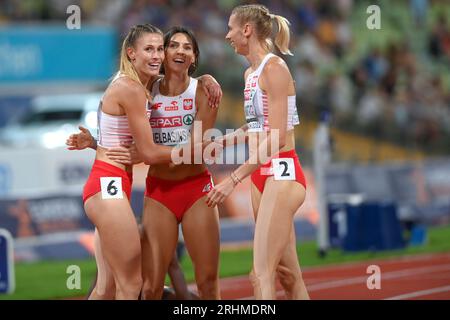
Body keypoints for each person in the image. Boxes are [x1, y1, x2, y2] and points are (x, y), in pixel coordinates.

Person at [68, 26, 221, 300]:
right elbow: (147, 153)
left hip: (114, 183)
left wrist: (94, 142)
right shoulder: (135, 88)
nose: (157, 55)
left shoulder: (141, 84)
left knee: (107, 287)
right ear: (131, 53)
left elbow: (120, 138)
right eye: (150, 49)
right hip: (111, 185)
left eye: (158, 49)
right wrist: (191, 149)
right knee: (133, 284)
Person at [205, 4, 310, 300]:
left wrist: (233, 179)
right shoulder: (250, 73)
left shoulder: (274, 68)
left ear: (247, 30)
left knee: (260, 274)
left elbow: (276, 137)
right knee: (288, 277)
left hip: (282, 171)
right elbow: (257, 125)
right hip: (261, 176)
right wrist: (224, 141)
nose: (227, 35)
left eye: (231, 28)